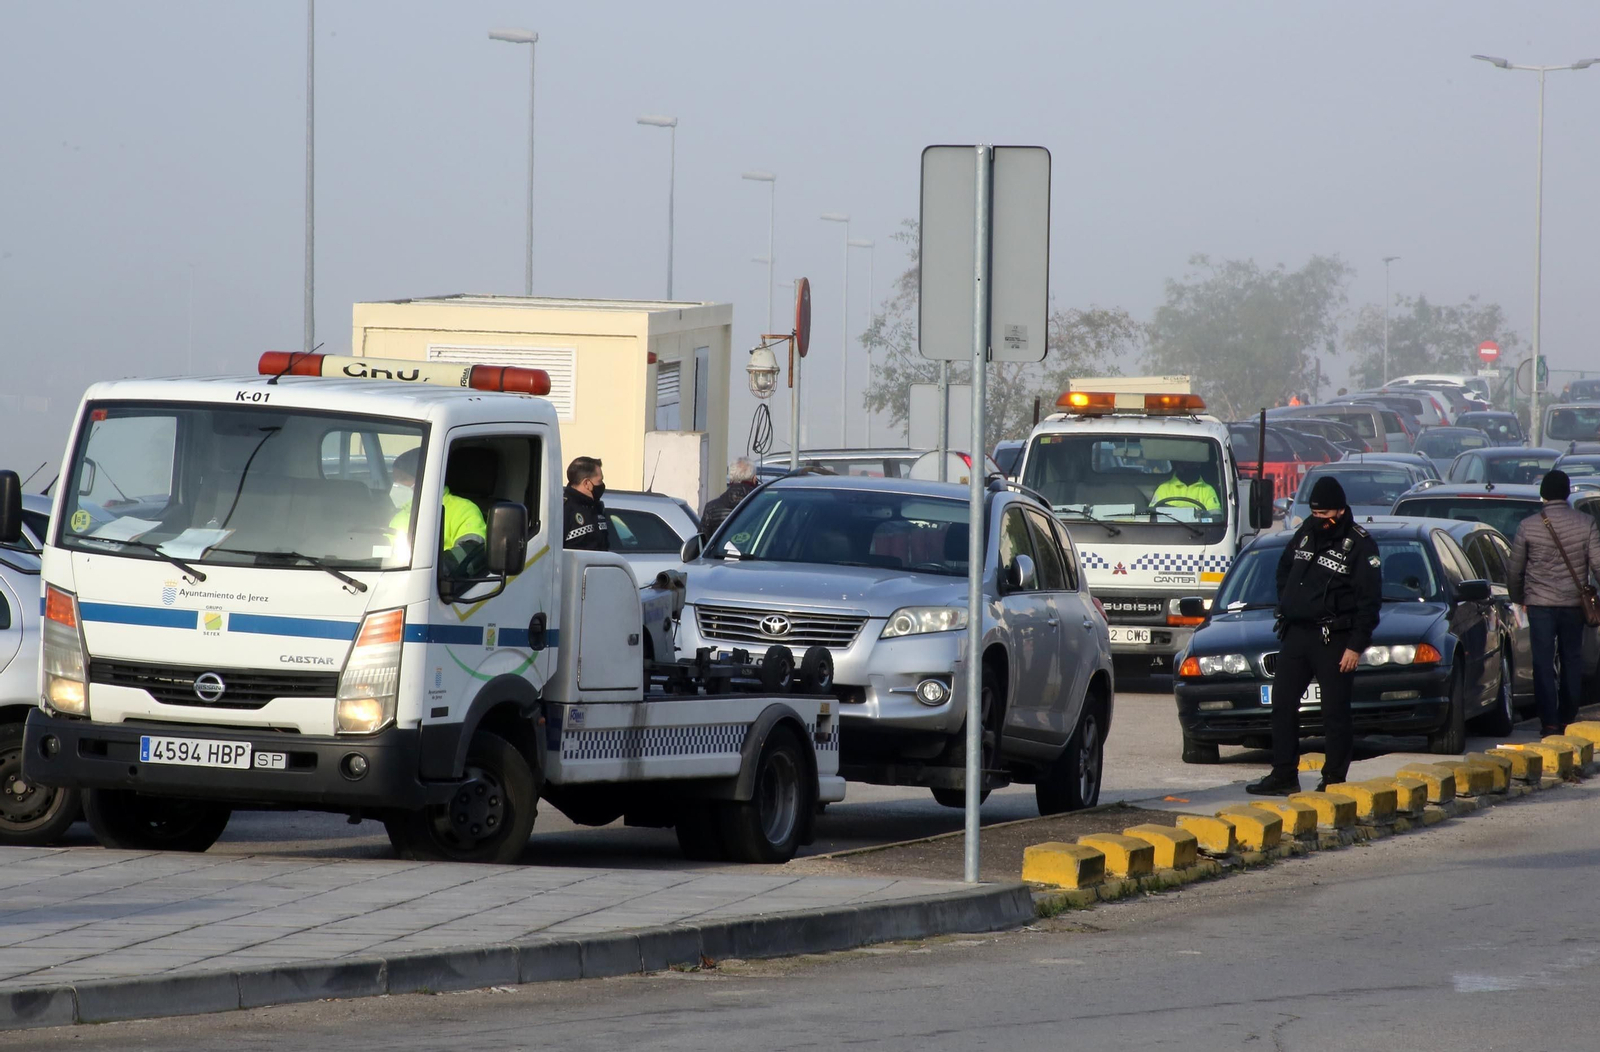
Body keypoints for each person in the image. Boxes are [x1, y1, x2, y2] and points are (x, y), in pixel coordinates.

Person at [1247, 476, 1381, 796]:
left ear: (1340, 509)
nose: (1320, 520)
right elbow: (1284, 570)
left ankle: (1333, 778)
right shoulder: (1306, 531)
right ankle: (1283, 774)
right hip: (1296, 633)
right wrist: (1289, 602)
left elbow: (1369, 600)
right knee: (1282, 704)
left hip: (1334, 638)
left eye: (1325, 515)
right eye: (1316, 514)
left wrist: (1355, 645)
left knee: (1334, 711)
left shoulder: (1360, 544)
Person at [1507, 469, 1600, 735]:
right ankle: (1568, 716)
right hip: (1573, 605)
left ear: (1543, 494)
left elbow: (1515, 570)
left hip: (1539, 605)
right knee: (1572, 659)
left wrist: (1518, 597)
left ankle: (1549, 720)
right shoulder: (1586, 523)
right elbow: (1597, 564)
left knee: (1543, 662)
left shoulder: (1528, 526)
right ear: (1567, 492)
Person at [389, 447, 487, 572]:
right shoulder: (398, 518)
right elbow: (385, 554)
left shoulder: (463, 509)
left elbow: (471, 550)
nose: (396, 485)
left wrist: (439, 569)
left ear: (424, 479)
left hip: (445, 584)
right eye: (395, 479)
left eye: (403, 479)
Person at [700, 458, 759, 540]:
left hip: (720, 552)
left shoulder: (711, 508)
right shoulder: (762, 505)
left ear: (731, 479)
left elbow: (702, 541)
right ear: (754, 479)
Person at [563, 456, 609, 551]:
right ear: (587, 483)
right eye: (599, 481)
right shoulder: (564, 509)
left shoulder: (596, 507)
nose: (602, 485)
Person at [1151, 460, 1221, 512]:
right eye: (1183, 464)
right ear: (1177, 465)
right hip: (1167, 530)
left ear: (1198, 464)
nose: (1187, 466)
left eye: (1191, 463)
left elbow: (1214, 516)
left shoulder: (1207, 490)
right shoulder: (1164, 488)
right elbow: (1152, 515)